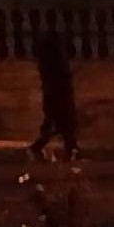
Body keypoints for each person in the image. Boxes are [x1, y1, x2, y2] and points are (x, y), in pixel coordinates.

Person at [28, 29, 80, 163]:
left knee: (61, 126)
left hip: (55, 98)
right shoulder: (56, 65)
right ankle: (37, 148)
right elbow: (60, 83)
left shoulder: (48, 65)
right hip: (59, 98)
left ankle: (71, 149)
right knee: (62, 125)